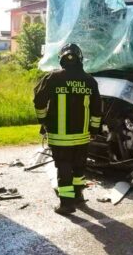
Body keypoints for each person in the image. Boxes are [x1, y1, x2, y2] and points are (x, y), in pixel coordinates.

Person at [33, 43, 103, 215]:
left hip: (59, 135)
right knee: (79, 165)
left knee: (63, 166)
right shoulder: (89, 81)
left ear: (61, 59)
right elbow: (96, 109)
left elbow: (39, 102)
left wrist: (43, 120)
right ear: (80, 59)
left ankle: (66, 203)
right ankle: (78, 195)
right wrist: (94, 130)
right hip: (82, 136)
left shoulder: (52, 78)